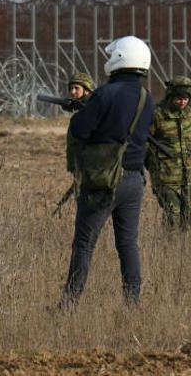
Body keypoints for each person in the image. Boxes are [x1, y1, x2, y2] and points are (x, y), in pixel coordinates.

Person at [62, 36, 154, 307]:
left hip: (104, 181)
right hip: (135, 181)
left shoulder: (104, 93)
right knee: (127, 244)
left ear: (120, 58)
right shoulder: (147, 98)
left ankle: (69, 304)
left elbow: (81, 130)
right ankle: (132, 303)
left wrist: (80, 113)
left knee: (84, 243)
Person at [145, 76, 191, 230]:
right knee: (172, 217)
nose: (183, 102)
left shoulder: (190, 114)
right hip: (166, 175)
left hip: (188, 174)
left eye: (186, 99)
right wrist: (153, 165)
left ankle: (187, 250)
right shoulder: (158, 114)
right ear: (171, 96)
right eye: (179, 98)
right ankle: (169, 248)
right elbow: (144, 142)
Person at [65, 72, 95, 175]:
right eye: (71, 88)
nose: (72, 92)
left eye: (76, 88)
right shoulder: (81, 109)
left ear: (86, 90)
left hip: (88, 164)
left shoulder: (92, 109)